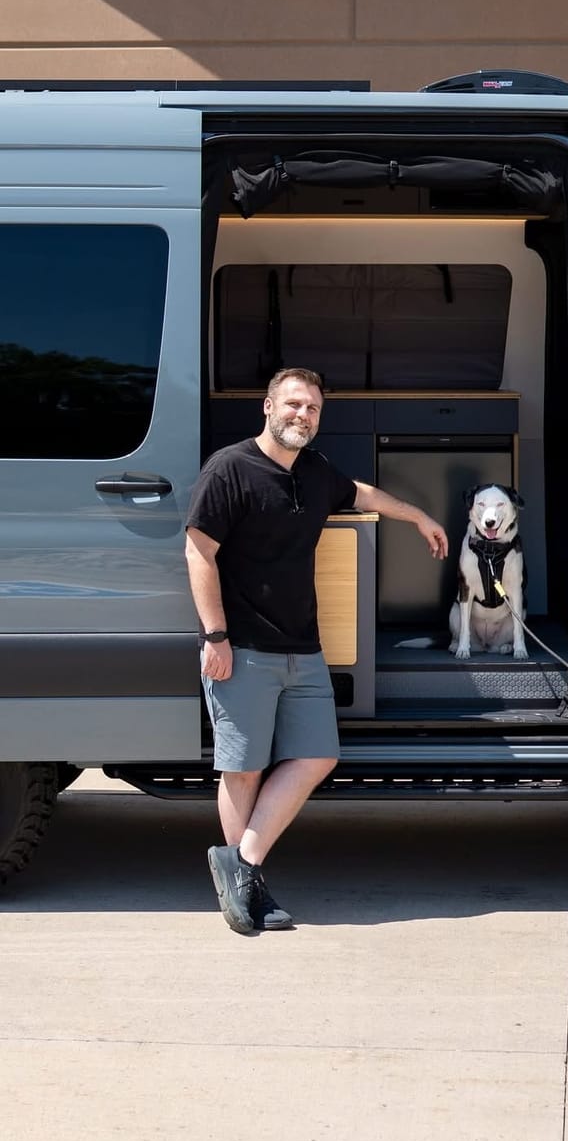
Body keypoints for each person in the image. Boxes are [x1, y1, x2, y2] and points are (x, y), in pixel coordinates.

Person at [185, 367, 448, 934]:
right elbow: (198, 553)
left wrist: (419, 516)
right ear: (268, 407)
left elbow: (363, 492)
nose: (301, 416)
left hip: (303, 648)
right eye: (293, 405)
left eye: (312, 410)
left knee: (317, 755)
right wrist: (215, 637)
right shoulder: (230, 469)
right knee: (243, 769)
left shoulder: (315, 471)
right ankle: (246, 894)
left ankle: (242, 865)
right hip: (243, 648)